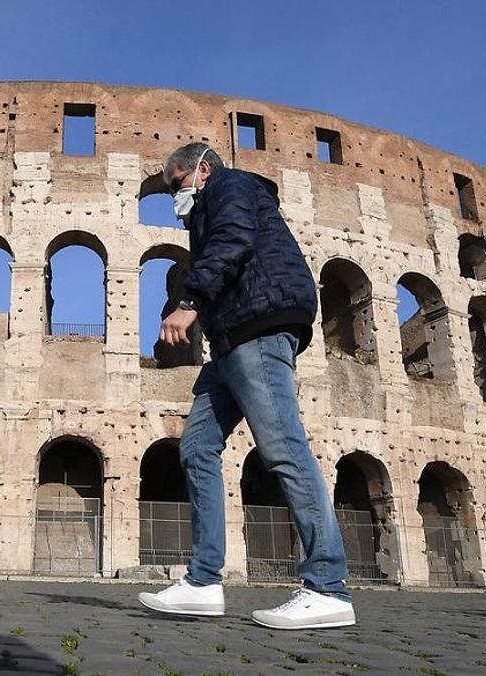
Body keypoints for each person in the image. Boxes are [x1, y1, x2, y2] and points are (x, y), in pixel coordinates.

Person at [137, 142, 355, 629]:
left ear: (202, 169)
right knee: (196, 447)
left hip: (258, 327)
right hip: (231, 338)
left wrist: (190, 301)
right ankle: (202, 583)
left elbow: (234, 239)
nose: (175, 195)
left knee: (283, 448)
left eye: (176, 183)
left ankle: (327, 586)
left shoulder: (230, 185)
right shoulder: (207, 206)